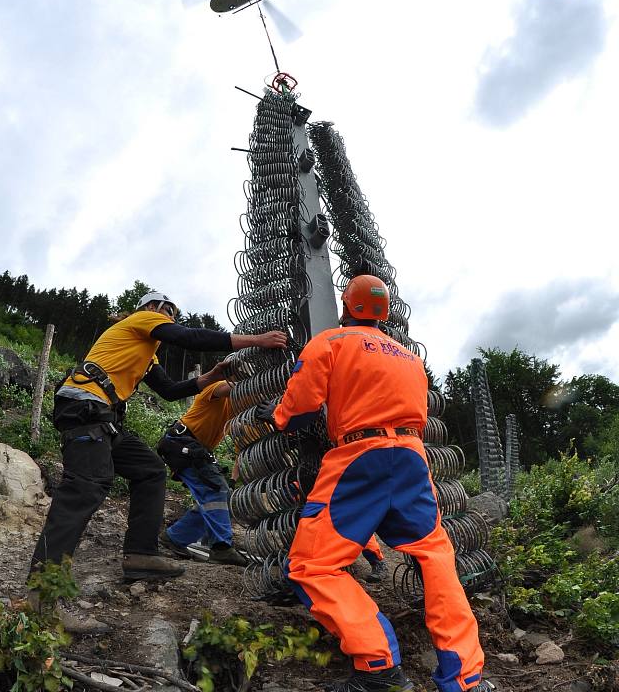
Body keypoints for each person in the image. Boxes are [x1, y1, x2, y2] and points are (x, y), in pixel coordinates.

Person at [256, 275, 491, 692]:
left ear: (347, 306)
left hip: (359, 458)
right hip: (413, 458)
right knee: (435, 557)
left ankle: (377, 664)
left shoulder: (331, 342)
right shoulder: (409, 358)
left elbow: (299, 412)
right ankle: (466, 677)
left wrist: (273, 416)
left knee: (312, 565)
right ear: (384, 313)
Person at [29, 291, 286, 629]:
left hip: (102, 416)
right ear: (152, 309)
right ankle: (41, 597)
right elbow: (188, 337)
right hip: (84, 407)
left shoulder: (144, 354)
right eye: (168, 312)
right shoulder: (142, 319)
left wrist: (209, 377)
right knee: (85, 488)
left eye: (172, 315)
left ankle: (141, 554)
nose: (170, 319)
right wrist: (256, 340)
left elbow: (168, 389)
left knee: (149, 470)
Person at [157, 378, 246, 567]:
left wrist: (232, 479)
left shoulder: (237, 413)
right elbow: (224, 388)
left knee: (217, 497)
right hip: (183, 443)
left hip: (195, 449)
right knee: (215, 491)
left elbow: (241, 451)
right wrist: (256, 383)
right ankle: (221, 548)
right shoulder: (216, 388)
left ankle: (175, 538)